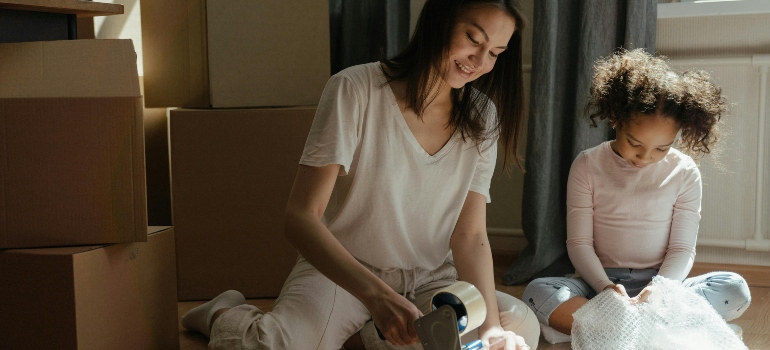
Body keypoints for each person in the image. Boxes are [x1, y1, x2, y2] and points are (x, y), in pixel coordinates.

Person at [181, 1, 540, 349]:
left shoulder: (482, 116)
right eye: (473, 39)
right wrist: (377, 296)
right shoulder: (355, 88)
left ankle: (361, 335)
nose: (479, 61)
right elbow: (300, 218)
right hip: (343, 274)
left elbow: (470, 233)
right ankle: (223, 313)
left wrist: (491, 328)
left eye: (495, 52)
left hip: (431, 279)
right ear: (440, 21)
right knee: (282, 345)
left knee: (517, 325)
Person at [522, 49, 752, 344]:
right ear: (616, 119)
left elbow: (682, 248)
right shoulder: (587, 164)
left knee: (734, 289)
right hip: (600, 286)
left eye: (661, 148)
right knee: (538, 292)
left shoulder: (684, 172)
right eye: (635, 143)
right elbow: (579, 243)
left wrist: (659, 289)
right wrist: (605, 288)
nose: (644, 157)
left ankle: (613, 331)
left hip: (662, 287)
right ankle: (665, 331)